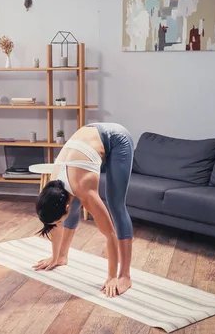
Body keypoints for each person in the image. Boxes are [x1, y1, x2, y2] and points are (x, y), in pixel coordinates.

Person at [33, 122, 135, 298]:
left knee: (116, 205)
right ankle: (62, 256)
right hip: (89, 137)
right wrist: (54, 256)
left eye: (58, 221)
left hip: (117, 139)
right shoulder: (53, 187)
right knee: (66, 212)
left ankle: (125, 275)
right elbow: (55, 223)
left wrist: (111, 277)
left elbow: (110, 235)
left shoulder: (85, 190)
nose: (58, 224)